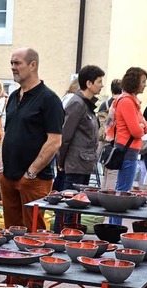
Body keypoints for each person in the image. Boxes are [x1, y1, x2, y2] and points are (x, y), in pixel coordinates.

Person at [0, 47, 63, 231]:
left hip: (34, 180)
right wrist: (2, 168)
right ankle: (11, 260)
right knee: (11, 232)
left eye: (17, 63)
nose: (13, 67)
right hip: (9, 176)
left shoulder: (49, 99)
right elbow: (6, 132)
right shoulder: (13, 97)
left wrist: (31, 173)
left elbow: (54, 141)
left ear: (32, 65)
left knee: (34, 233)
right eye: (11, 63)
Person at [54, 65, 104, 232]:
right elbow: (65, 135)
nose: (102, 85)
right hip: (74, 165)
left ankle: (71, 237)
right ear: (89, 83)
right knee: (68, 207)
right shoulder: (77, 103)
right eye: (99, 81)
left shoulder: (87, 104)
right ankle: (61, 237)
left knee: (78, 206)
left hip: (83, 165)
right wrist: (61, 161)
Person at [106, 66, 147, 192]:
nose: (145, 85)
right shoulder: (127, 102)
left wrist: (142, 126)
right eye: (143, 81)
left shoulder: (133, 101)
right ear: (134, 82)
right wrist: (141, 127)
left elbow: (146, 125)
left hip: (130, 148)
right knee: (123, 190)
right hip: (127, 149)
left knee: (124, 187)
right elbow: (136, 131)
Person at [98, 78, 122, 190]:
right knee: (113, 173)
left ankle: (103, 192)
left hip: (103, 142)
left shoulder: (104, 105)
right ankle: (107, 197)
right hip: (116, 142)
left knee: (106, 172)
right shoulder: (122, 103)